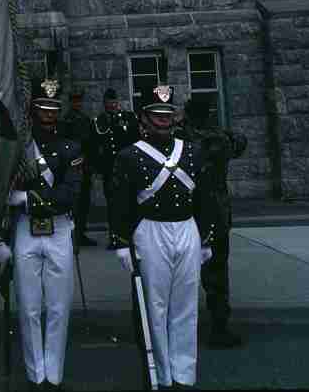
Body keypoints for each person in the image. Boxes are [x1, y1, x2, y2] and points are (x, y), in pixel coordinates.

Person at [109, 72, 218, 390]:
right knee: (154, 306)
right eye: (156, 115)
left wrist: (207, 237)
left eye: (168, 115)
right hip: (150, 231)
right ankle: (159, 374)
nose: (163, 121)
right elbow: (120, 202)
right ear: (144, 118)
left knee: (185, 305)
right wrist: (120, 242)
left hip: (187, 229)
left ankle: (183, 373)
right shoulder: (129, 156)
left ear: (176, 118)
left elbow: (205, 196)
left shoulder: (193, 151)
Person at [0, 50, 84, 392]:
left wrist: (28, 200)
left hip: (58, 229)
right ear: (32, 111)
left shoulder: (71, 148)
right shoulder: (18, 148)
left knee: (58, 307)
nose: (48, 115)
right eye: (42, 110)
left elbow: (70, 196)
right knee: (29, 308)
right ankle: (35, 374)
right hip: (24, 233)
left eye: (53, 110)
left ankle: (54, 375)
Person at [178, 96, 247, 349]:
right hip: (215, 212)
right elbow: (240, 142)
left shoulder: (180, 138)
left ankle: (177, 327)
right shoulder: (220, 138)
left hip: (185, 210)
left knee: (180, 272)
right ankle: (219, 326)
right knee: (217, 273)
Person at [91, 89, 139, 249]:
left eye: (113, 102)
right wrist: (98, 168)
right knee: (112, 205)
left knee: (130, 203)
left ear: (117, 102)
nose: (111, 105)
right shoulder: (99, 121)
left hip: (127, 169)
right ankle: (115, 237)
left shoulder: (128, 118)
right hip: (109, 171)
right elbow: (95, 147)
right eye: (108, 102)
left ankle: (131, 236)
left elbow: (135, 141)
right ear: (104, 103)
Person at [60, 86, 97, 247]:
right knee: (73, 202)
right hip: (72, 167)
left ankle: (81, 233)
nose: (77, 104)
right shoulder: (66, 120)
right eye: (74, 101)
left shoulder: (85, 119)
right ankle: (72, 234)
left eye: (79, 101)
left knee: (84, 202)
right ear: (70, 102)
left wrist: (91, 164)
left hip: (85, 166)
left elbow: (90, 144)